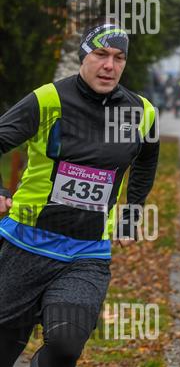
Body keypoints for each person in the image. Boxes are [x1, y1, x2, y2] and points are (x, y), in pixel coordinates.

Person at [0, 24, 159, 367]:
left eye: (118, 58)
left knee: (66, 347)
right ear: (83, 56)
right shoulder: (49, 99)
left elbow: (147, 161)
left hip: (86, 253)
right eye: (100, 54)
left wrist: (132, 212)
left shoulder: (141, 111)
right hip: (25, 245)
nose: (109, 65)